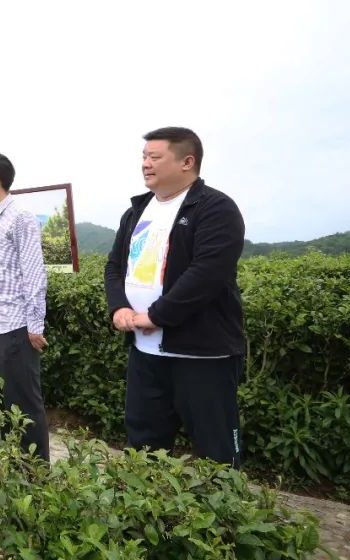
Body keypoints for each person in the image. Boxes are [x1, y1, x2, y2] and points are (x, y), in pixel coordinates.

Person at [105, 127, 246, 468]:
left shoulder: (215, 208)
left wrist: (157, 315)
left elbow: (207, 274)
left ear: (187, 162)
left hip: (202, 355)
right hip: (145, 352)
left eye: (155, 157)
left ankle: (224, 503)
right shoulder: (137, 210)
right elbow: (114, 267)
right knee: (143, 447)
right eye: (144, 157)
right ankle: (144, 503)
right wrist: (119, 306)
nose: (145, 164)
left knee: (216, 453)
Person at [0, 152, 50, 460]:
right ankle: (13, 466)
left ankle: (36, 473)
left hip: (16, 327)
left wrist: (35, 324)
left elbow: (34, 272)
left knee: (24, 405)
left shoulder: (20, 217)